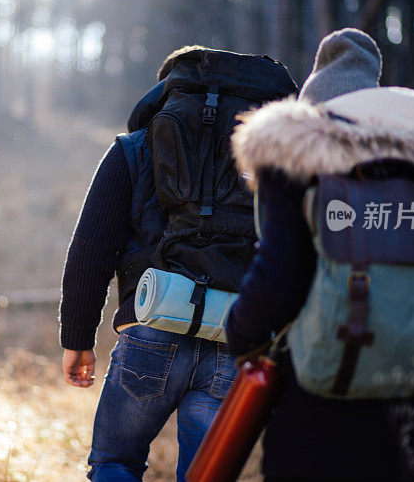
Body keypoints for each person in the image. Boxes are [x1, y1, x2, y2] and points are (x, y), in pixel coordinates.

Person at [226, 28, 414, 482]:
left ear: (315, 111)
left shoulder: (298, 156)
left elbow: (277, 281)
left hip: (319, 421)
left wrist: (241, 337)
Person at [60, 46, 297, 481]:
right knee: (206, 475)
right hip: (237, 337)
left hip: (152, 328)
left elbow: (90, 248)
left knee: (115, 462)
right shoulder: (282, 161)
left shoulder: (136, 148)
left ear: (169, 90)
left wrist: (77, 337)